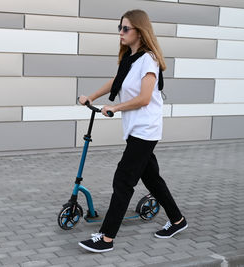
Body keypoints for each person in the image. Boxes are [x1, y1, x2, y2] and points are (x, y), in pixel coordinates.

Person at [78, 9, 188, 253]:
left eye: (125, 28)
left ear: (140, 31)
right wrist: (91, 97)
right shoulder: (130, 58)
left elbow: (145, 98)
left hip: (145, 130)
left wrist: (115, 108)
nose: (120, 32)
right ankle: (178, 220)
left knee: (123, 180)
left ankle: (106, 238)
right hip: (136, 130)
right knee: (152, 179)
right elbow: (116, 80)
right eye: (120, 27)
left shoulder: (148, 60)